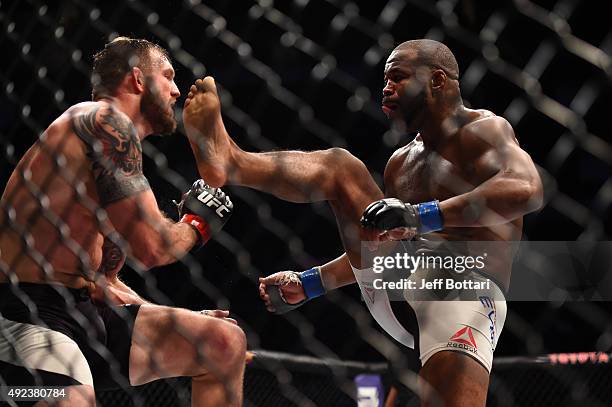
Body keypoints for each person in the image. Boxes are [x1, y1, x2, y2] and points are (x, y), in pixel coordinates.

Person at [183, 39, 543, 406]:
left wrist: (422, 216)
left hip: (461, 287)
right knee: (342, 168)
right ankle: (231, 162)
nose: (386, 88)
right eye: (385, 79)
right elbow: (387, 240)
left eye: (398, 77)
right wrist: (311, 282)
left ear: (437, 80)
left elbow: (526, 188)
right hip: (397, 281)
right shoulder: (400, 163)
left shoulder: (484, 130)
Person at [0, 37, 246, 406]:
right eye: (168, 76)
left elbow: (105, 283)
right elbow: (153, 248)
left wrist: (174, 317)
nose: (177, 91)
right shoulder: (102, 121)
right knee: (70, 400)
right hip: (25, 311)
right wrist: (197, 224)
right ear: (138, 79)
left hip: (83, 310)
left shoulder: (107, 155)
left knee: (221, 342)